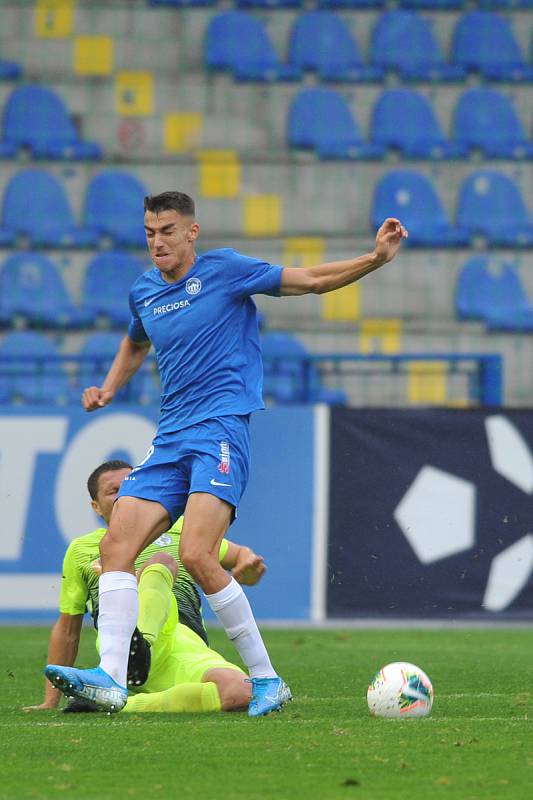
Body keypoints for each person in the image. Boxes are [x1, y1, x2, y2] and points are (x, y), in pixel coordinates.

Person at [46, 192, 407, 716]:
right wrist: (108, 388)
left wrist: (373, 259)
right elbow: (135, 342)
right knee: (115, 548)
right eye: (149, 232)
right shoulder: (144, 292)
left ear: (192, 233)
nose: (157, 241)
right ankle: (110, 676)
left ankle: (266, 679)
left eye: (168, 230)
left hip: (219, 427)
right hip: (170, 435)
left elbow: (308, 280)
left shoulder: (227, 270)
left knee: (195, 552)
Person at [33, 460, 265, 714]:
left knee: (241, 692)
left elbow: (240, 556)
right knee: (161, 562)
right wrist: (50, 701)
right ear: (96, 507)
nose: (124, 496)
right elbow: (68, 629)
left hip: (185, 641)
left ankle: (120, 704)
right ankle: (138, 646)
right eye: (113, 491)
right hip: (121, 646)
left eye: (132, 486)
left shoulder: (182, 531)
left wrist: (249, 566)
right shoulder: (82, 550)